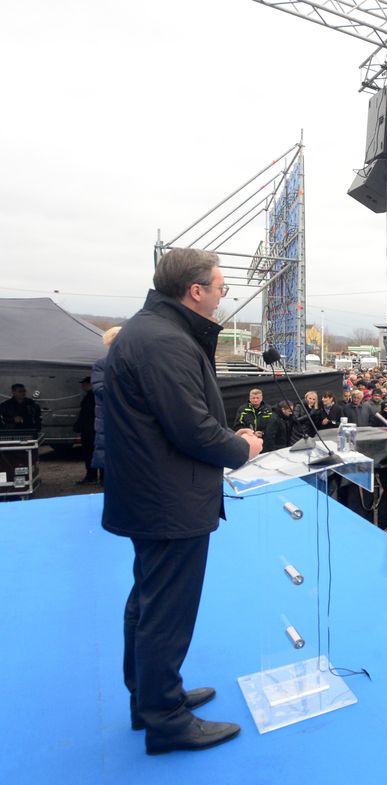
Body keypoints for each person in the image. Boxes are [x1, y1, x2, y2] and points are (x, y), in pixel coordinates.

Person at [104, 248, 261, 754]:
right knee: (165, 612)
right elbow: (188, 426)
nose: (222, 297)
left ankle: (151, 699)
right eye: (220, 288)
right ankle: (165, 720)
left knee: (149, 603)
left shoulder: (150, 331)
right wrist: (242, 447)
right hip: (168, 500)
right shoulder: (164, 341)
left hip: (155, 494)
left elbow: (178, 416)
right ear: (195, 291)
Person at [90, 326, 121, 483]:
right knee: (111, 470)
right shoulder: (102, 364)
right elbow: (100, 388)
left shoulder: (136, 361)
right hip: (109, 422)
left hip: (129, 423)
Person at [73, 376, 99, 484]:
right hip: (95, 429)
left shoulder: (90, 397)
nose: (83, 386)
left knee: (89, 454)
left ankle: (91, 477)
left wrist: (78, 426)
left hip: (89, 431)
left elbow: (85, 415)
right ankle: (101, 478)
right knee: (97, 454)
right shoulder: (97, 396)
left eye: (85, 384)